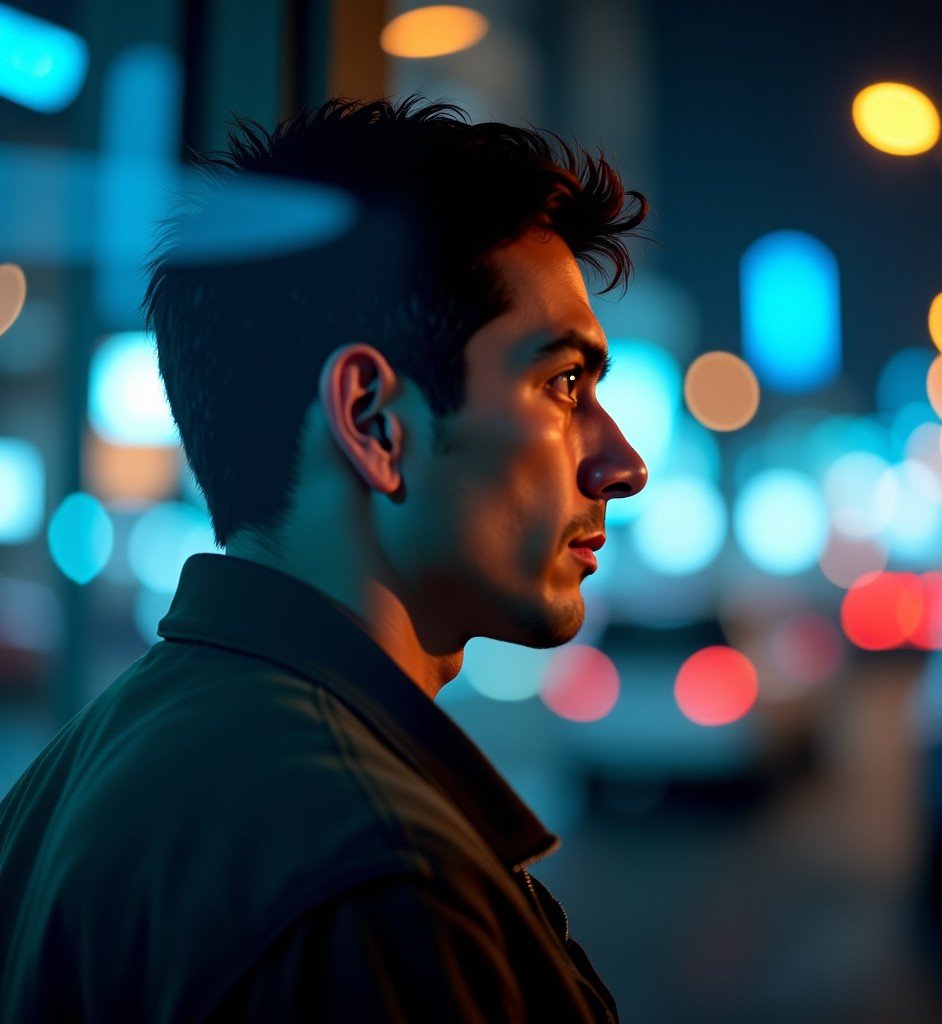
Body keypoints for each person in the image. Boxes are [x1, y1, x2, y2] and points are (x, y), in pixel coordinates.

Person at [0, 96, 648, 1021]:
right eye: (564, 382)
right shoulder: (381, 887)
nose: (623, 463)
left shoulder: (81, 770)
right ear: (375, 421)